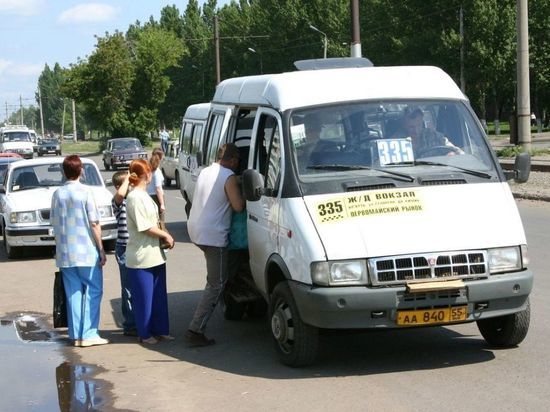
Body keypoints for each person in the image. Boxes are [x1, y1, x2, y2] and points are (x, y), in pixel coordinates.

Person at [184, 143, 245, 347]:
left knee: (221, 274)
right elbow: (238, 206)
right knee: (216, 283)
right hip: (214, 236)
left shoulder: (206, 171)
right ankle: (196, 329)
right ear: (234, 160)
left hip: (196, 230)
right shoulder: (228, 176)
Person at [50, 155, 108, 347]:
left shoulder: (57, 194)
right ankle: (89, 333)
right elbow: (94, 223)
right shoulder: (85, 192)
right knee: (94, 290)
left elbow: (54, 223)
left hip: (65, 252)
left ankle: (75, 335)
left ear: (64, 172)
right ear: (80, 170)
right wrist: (101, 248)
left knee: (73, 293)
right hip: (86, 251)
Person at [125, 158, 175, 345]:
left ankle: (161, 329)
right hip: (141, 255)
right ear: (147, 174)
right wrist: (165, 235)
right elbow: (145, 226)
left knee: (158, 296)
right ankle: (145, 334)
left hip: (155, 254)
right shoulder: (135, 197)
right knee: (144, 298)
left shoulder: (144, 195)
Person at [111, 170, 137, 336]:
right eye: (129, 183)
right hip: (124, 248)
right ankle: (130, 325)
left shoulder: (134, 199)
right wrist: (127, 178)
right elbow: (120, 195)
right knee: (128, 289)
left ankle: (138, 321)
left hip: (136, 248)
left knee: (137, 287)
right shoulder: (118, 202)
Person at [394, 107, 462, 155]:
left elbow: (457, 151)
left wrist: (452, 155)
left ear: (423, 122)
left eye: (419, 125)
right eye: (411, 127)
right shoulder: (396, 142)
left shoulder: (434, 136)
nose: (416, 131)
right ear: (404, 125)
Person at [147, 148, 166, 219]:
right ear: (160, 157)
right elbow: (158, 188)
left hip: (148, 195)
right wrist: (162, 204)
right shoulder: (157, 172)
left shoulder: (148, 168)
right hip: (156, 197)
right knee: (160, 219)